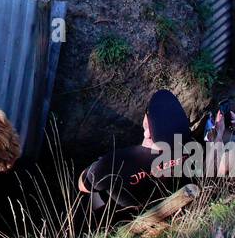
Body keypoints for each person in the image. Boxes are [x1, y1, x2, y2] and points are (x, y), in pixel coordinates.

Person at [78, 90, 192, 223]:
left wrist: (94, 167)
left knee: (91, 189)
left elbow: (82, 186)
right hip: (166, 204)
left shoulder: (115, 163)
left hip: (128, 220)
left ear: (148, 129)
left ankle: (97, 224)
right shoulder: (191, 150)